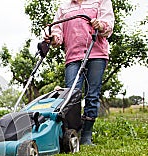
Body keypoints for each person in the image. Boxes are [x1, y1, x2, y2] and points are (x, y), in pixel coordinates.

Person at [45, 0, 115, 145]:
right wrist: (54, 38)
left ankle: (86, 135)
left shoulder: (101, 1)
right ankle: (72, 132)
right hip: (73, 55)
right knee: (71, 95)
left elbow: (108, 24)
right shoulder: (64, 7)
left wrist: (100, 24)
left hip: (96, 53)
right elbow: (57, 30)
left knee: (92, 94)